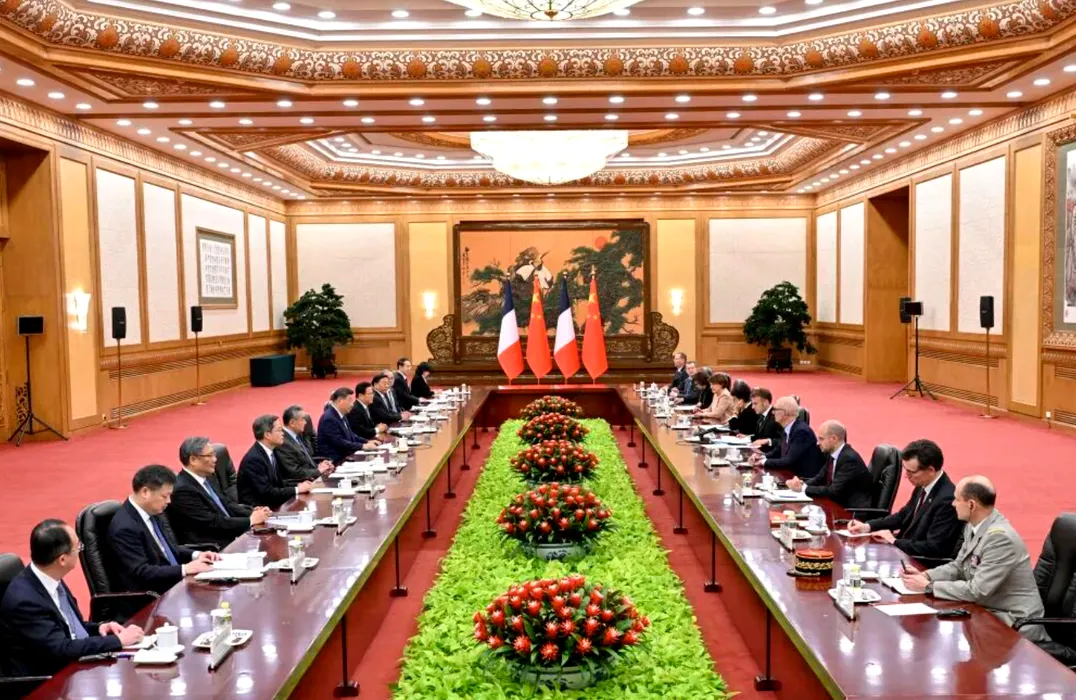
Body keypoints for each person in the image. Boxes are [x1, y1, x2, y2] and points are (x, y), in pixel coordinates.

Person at [899, 476, 1047, 642]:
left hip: (1014, 622)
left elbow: (978, 591)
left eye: (957, 499)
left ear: (971, 505)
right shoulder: (974, 525)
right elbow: (958, 566)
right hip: (988, 612)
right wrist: (926, 575)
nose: (953, 504)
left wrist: (928, 587)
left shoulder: (1000, 539)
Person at [0, 520, 144, 678]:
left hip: (69, 662)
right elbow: (60, 648)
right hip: (47, 679)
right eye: (78, 547)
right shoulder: (25, 602)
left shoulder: (50, 577)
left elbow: (68, 628)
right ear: (62, 560)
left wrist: (99, 628)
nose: (80, 550)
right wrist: (117, 640)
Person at [107, 465, 219, 595]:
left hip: (174, 583)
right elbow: (142, 572)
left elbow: (167, 550)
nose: (169, 501)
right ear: (145, 492)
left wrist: (196, 555)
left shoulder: (153, 512)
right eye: (164, 496)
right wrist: (185, 569)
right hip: (154, 595)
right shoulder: (125, 527)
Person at [847, 439, 964, 560]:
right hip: (904, 551)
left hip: (919, 562)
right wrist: (868, 526)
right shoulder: (924, 484)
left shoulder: (947, 499)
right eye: (906, 470)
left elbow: (934, 547)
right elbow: (903, 516)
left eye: (911, 472)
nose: (907, 476)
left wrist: (894, 541)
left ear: (930, 470)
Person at [168, 436, 271, 548]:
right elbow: (212, 522)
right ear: (193, 460)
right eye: (209, 455)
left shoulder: (207, 477)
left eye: (214, 454)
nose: (215, 459)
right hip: (212, 546)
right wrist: (250, 520)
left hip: (230, 535)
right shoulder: (183, 490)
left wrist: (252, 512)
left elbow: (226, 504)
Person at [786, 420, 871, 509]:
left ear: (834, 438)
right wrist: (802, 484)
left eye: (821, 439)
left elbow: (833, 491)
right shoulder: (833, 454)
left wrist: (803, 489)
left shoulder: (849, 460)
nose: (818, 443)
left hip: (850, 511)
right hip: (836, 503)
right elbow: (819, 478)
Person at [237, 415, 315, 508]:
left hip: (273, 504)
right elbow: (267, 493)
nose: (283, 434)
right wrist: (297, 489)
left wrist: (300, 485)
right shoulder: (254, 459)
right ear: (267, 435)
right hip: (259, 509)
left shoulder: (271, 451)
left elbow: (279, 483)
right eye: (279, 430)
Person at [748, 396, 824, 478]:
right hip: (791, 475)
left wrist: (763, 462)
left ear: (784, 413)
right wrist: (761, 457)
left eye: (775, 410)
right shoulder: (788, 428)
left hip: (803, 478)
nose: (773, 412)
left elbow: (788, 461)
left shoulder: (801, 432)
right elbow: (778, 451)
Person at [318, 387, 377, 465]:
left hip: (346, 454)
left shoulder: (342, 414)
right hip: (335, 460)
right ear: (340, 401)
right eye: (349, 400)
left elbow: (350, 434)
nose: (352, 404)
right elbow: (339, 442)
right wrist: (362, 446)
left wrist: (367, 441)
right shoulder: (329, 418)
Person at [277, 405, 334, 483]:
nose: (306, 422)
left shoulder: (297, 435)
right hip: (301, 483)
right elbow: (294, 472)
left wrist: (321, 466)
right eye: (303, 419)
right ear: (292, 423)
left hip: (310, 477)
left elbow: (305, 461)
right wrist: (318, 471)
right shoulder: (283, 442)